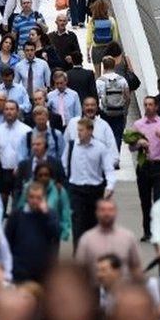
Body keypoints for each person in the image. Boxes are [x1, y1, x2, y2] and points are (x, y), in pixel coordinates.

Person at [63, 118, 118, 247]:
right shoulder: (71, 146)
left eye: (81, 130)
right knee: (78, 224)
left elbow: (109, 169)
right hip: (76, 191)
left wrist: (110, 186)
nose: (79, 133)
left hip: (95, 191)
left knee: (94, 225)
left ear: (90, 131)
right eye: (78, 130)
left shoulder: (100, 148)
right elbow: (64, 165)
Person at [129, 96, 160, 240]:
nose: (148, 107)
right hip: (144, 166)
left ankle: (158, 230)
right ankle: (147, 231)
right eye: (146, 104)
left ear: (156, 107)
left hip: (159, 166)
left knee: (159, 200)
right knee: (145, 200)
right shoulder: (138, 124)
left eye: (150, 104)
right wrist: (138, 143)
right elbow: (131, 146)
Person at [74, 198, 142, 281]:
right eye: (102, 210)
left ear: (116, 212)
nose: (107, 213)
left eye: (110, 210)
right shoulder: (87, 239)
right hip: (95, 289)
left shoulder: (128, 237)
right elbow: (80, 269)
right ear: (96, 213)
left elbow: (136, 266)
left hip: (123, 288)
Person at [5, 181, 60, 283]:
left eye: (38, 198)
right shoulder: (16, 216)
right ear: (27, 197)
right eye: (31, 197)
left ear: (44, 198)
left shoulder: (50, 215)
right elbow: (7, 242)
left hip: (43, 272)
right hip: (20, 272)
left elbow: (56, 234)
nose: (35, 201)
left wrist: (46, 214)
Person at [0, 100, 31, 212]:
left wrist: (21, 167)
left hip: (19, 172)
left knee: (18, 207)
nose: (9, 112)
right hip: (1, 172)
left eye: (12, 109)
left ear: (17, 112)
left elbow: (30, 154)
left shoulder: (26, 130)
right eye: (6, 109)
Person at [64, 97, 119, 168]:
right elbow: (64, 147)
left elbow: (113, 152)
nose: (90, 108)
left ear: (97, 108)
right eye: (87, 105)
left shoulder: (104, 125)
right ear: (82, 107)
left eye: (92, 105)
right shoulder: (72, 123)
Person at [95, 56, 129, 149]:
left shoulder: (99, 81)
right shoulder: (122, 80)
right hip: (119, 111)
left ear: (103, 66)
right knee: (117, 135)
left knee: (106, 134)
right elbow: (127, 97)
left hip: (105, 112)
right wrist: (125, 111)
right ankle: (116, 156)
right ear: (114, 65)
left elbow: (96, 97)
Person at [86, 0, 119, 74]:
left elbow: (89, 38)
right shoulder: (111, 20)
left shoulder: (92, 22)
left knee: (97, 73)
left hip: (96, 49)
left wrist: (88, 51)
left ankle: (98, 84)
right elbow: (115, 37)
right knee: (108, 72)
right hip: (108, 48)